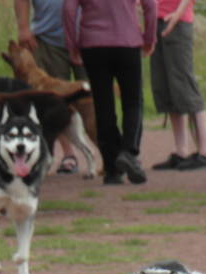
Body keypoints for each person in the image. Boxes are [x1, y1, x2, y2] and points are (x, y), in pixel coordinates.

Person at [63, 0, 156, 185]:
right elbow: (151, 5)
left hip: (93, 44)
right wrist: (149, 38)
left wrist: (72, 44)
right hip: (127, 41)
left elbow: (68, 9)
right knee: (133, 101)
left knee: (103, 105)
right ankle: (129, 151)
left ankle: (112, 169)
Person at [15, 0, 87, 174]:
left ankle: (111, 152)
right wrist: (23, 27)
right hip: (48, 38)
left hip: (88, 35)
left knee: (96, 97)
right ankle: (68, 154)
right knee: (54, 102)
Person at [149, 0, 206, 171]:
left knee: (184, 84)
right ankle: (181, 151)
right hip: (157, 20)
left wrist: (178, 14)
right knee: (166, 86)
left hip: (177, 21)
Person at [14, 0, 87, 82]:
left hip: (89, 42)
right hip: (48, 42)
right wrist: (23, 28)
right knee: (52, 93)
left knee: (94, 91)